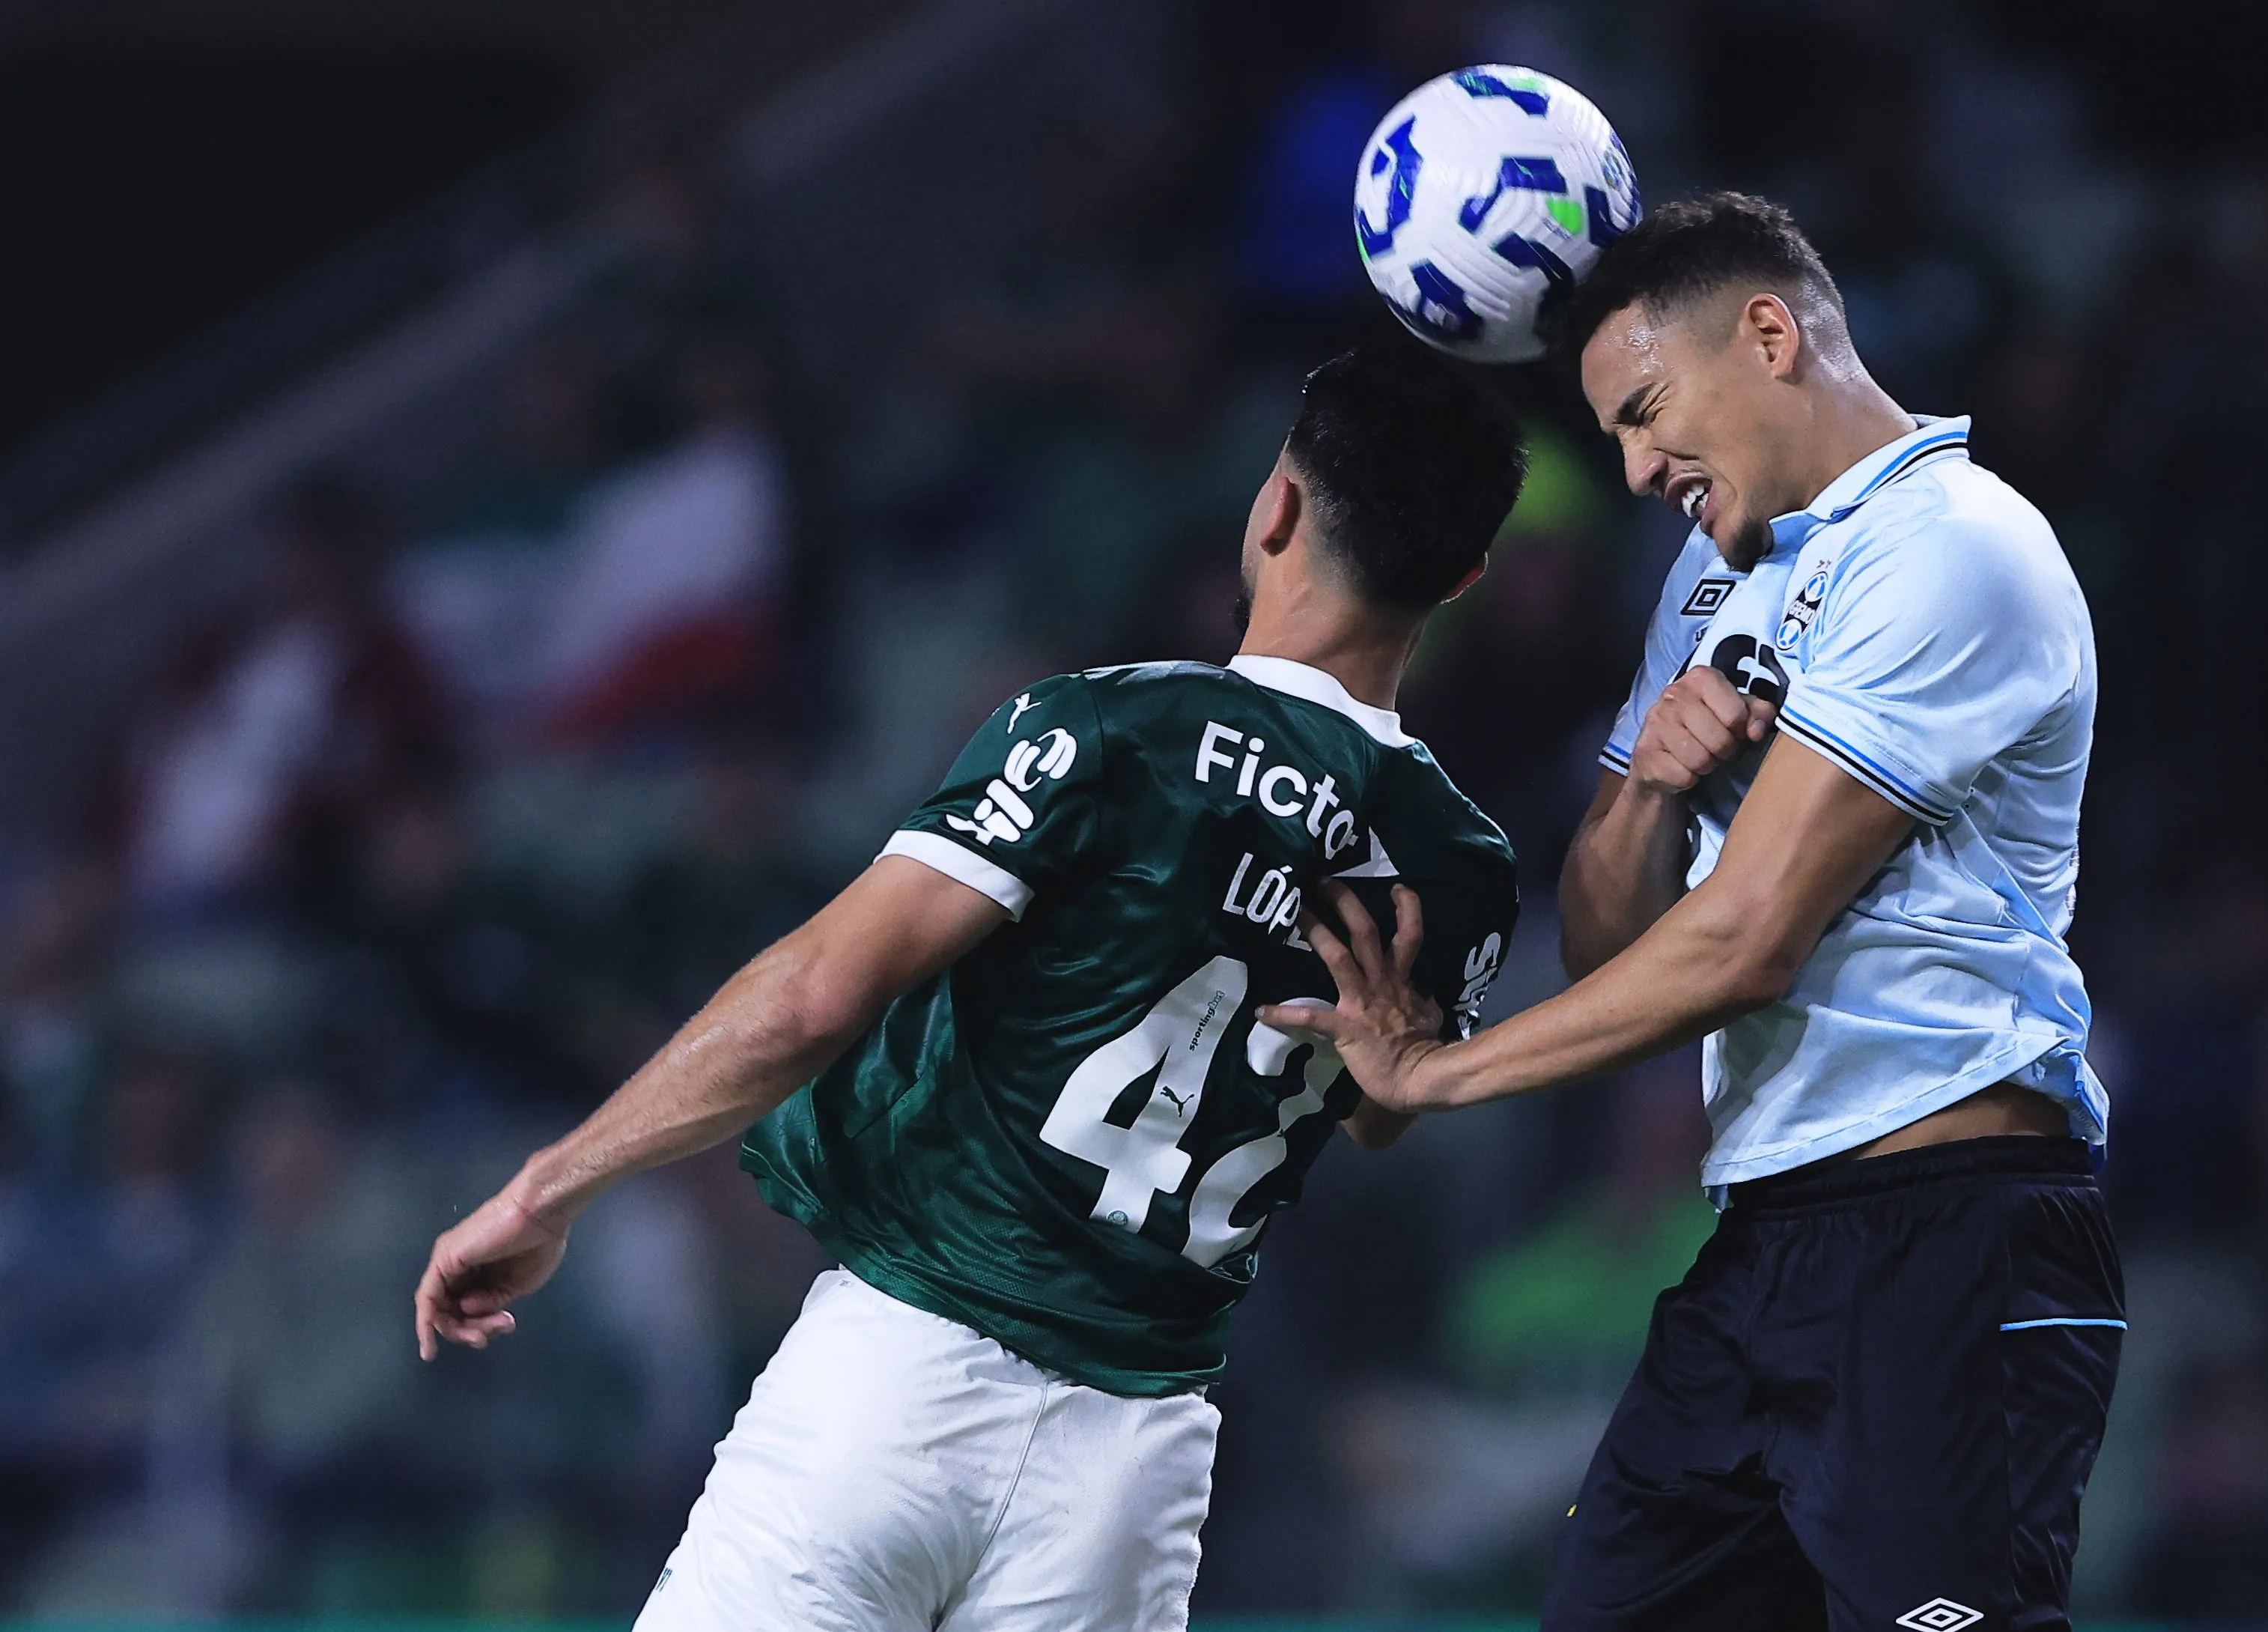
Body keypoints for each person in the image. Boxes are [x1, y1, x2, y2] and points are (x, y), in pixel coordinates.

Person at [410, 342, 1527, 1631]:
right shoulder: (1462, 868)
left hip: (906, 1375)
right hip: (1136, 1462)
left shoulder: (1116, 731)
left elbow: (814, 999)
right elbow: (1384, 1105)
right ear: (1461, 578)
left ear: (1272, 506)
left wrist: (549, 1187)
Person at [1269, 194, 2120, 1632]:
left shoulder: (1954, 546)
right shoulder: (1710, 577)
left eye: (1648, 409)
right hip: (1763, 1233)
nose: (1634, 462)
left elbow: (1742, 942)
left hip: (1949, 1233)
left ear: (1771, 336)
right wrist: (1648, 785)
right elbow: (1617, 939)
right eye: (1609, 430)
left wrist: (1442, 1070)